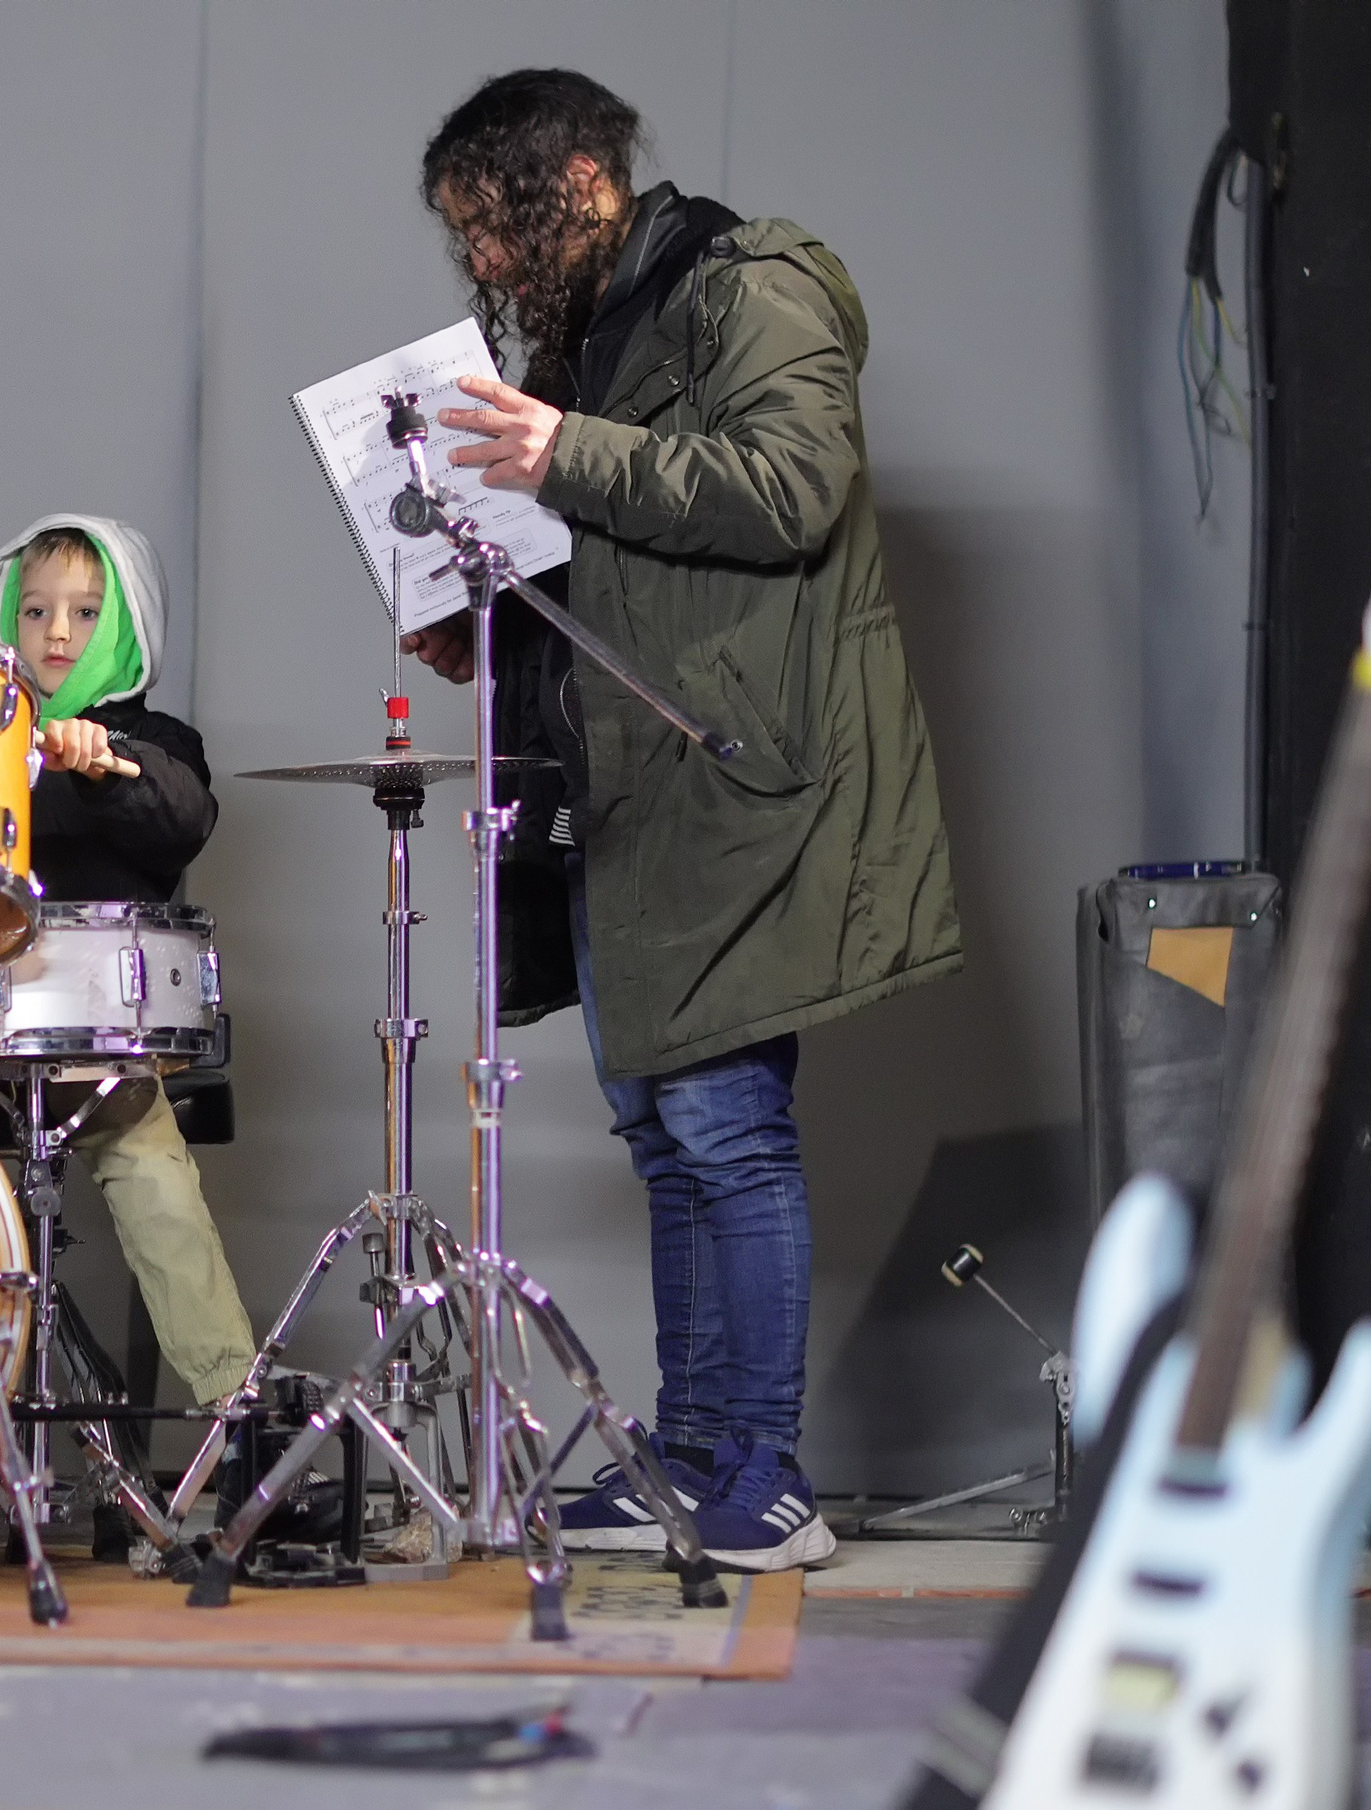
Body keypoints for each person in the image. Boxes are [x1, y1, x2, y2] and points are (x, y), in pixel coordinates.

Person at [405, 70, 962, 1570]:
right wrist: (496, 628)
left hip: (737, 780)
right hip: (634, 792)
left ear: (580, 180)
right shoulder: (597, 340)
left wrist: (559, 455)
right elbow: (633, 572)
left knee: (728, 1126)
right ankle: (701, 1446)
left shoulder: (751, 277)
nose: (488, 268)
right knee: (664, 1131)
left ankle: (769, 1476)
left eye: (498, 229)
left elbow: (793, 488)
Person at [0, 515, 258, 1412]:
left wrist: (108, 762)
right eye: (37, 611)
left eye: (89, 612)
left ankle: (235, 1413)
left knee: (158, 1185)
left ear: (129, 625)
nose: (58, 633)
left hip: (103, 1050)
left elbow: (184, 814)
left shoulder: (157, 741)